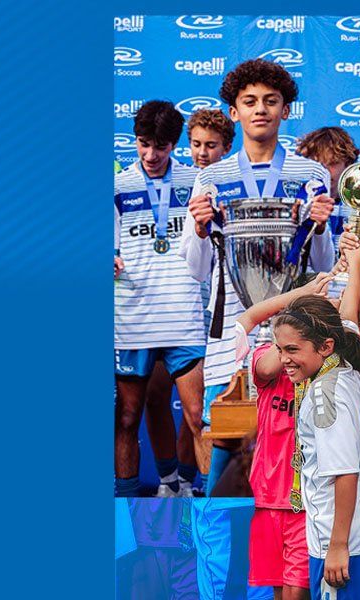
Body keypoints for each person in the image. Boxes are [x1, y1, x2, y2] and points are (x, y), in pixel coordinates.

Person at [180, 59, 336, 494]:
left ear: (286, 110)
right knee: (225, 457)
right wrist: (197, 230)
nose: (260, 109)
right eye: (249, 102)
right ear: (234, 112)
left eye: (271, 101)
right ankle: (219, 561)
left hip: (293, 334)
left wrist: (321, 227)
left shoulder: (310, 175)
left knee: (296, 459)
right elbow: (196, 269)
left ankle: (287, 557)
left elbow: (322, 264)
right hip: (231, 333)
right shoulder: (212, 177)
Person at [271, 290, 360, 600]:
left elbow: (344, 473)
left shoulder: (324, 396)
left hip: (345, 542)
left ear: (326, 346)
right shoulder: (349, 370)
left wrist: (338, 545)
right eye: (279, 349)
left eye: (292, 349)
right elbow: (349, 323)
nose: (284, 360)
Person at [114, 100, 207, 497]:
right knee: (128, 417)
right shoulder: (115, 187)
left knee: (198, 416)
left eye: (161, 146)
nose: (151, 155)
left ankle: (195, 497)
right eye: (143, 144)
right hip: (132, 318)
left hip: (184, 315)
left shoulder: (195, 182)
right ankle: (124, 511)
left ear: (174, 145)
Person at [145, 108, 236, 497]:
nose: (201, 153)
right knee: (155, 398)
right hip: (170, 309)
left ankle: (190, 480)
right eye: (195, 144)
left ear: (226, 147)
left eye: (210, 146)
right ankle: (171, 482)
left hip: (214, 319)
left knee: (199, 413)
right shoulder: (182, 181)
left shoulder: (231, 184)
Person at [232, 273, 333, 600]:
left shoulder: (328, 369)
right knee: (279, 589)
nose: (288, 354)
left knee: (297, 591)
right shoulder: (267, 362)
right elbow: (246, 320)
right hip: (267, 498)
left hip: (308, 501)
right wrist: (298, 298)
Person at [296, 126, 360, 279]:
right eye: (317, 164)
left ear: (347, 164)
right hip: (307, 292)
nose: (324, 171)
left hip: (352, 288)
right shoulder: (300, 205)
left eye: (332, 163)